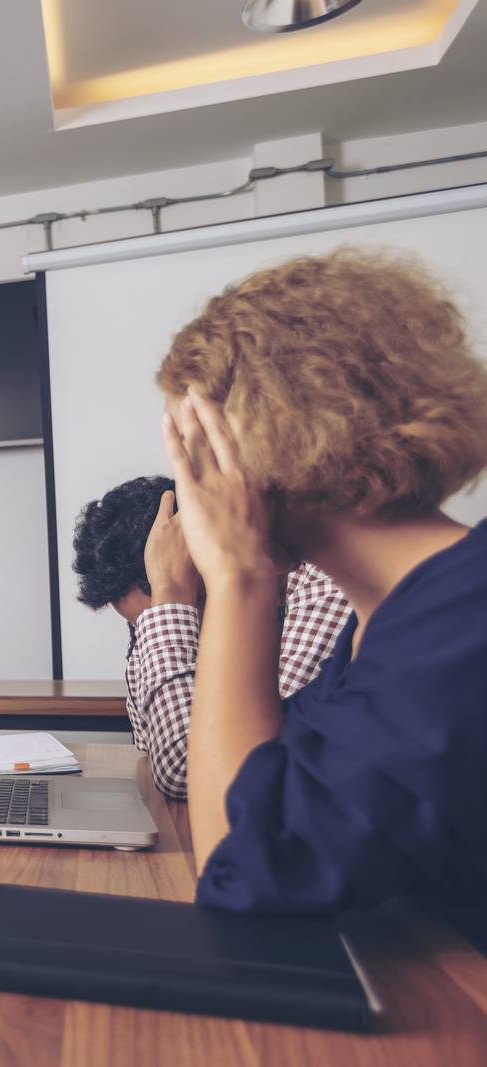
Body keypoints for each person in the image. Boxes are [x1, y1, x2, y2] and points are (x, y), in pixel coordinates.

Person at [155, 249, 487, 947]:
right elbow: (262, 789)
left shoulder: (463, 622)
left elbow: (240, 867)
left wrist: (240, 576)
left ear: (258, 452)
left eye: (198, 456)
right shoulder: (392, 617)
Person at [72, 474, 349, 798]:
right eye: (139, 626)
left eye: (167, 615)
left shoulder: (323, 587)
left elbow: (193, 770)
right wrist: (155, 619)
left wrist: (172, 595)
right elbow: (150, 742)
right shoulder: (174, 603)